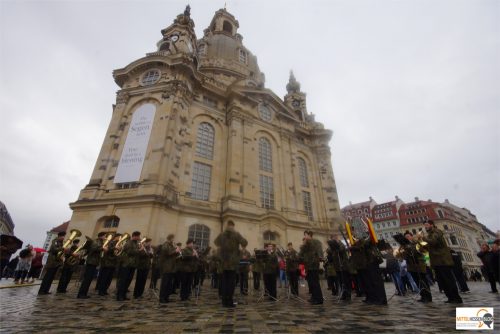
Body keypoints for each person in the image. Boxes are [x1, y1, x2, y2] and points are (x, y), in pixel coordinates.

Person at [422, 220, 462, 304]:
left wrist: (423, 238)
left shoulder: (437, 231)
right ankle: (450, 297)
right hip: (436, 261)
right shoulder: (429, 235)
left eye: (427, 225)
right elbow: (429, 246)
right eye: (424, 225)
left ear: (432, 225)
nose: (425, 227)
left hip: (443, 260)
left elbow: (434, 241)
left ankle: (456, 298)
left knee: (449, 280)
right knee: (442, 281)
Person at [214, 220, 248, 307]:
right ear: (233, 226)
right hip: (232, 263)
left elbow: (216, 242)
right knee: (231, 283)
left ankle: (224, 302)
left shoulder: (222, 234)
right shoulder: (236, 234)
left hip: (223, 262)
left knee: (224, 283)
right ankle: (229, 302)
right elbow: (244, 242)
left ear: (227, 225)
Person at [402, 231, 432, 303]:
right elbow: (404, 257)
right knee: (417, 282)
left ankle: (428, 297)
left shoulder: (416, 243)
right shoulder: (405, 246)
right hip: (411, 267)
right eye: (406, 237)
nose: (407, 238)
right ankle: (423, 296)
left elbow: (420, 251)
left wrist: (409, 248)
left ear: (411, 236)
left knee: (423, 281)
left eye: (408, 236)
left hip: (419, 265)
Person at [77, 233, 105, 299]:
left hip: (94, 262)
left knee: (89, 279)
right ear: (101, 236)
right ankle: (81, 294)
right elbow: (94, 248)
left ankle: (84, 293)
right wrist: (102, 248)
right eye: (104, 236)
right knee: (87, 279)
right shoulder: (96, 241)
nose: (105, 237)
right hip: (91, 262)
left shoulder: (99, 242)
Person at [300, 230, 323, 305]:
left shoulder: (316, 242)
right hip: (308, 265)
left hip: (313, 265)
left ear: (309, 235)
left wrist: (319, 259)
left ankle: (319, 299)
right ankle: (314, 297)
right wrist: (303, 245)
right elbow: (302, 254)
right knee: (311, 283)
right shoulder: (306, 244)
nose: (304, 236)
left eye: (305, 235)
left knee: (315, 282)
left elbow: (320, 253)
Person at [116, 231, 142, 301]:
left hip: (132, 265)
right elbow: (130, 252)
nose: (139, 238)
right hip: (126, 264)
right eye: (139, 236)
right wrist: (139, 250)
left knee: (128, 281)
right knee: (123, 281)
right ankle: (119, 296)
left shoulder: (135, 243)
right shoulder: (129, 243)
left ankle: (124, 295)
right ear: (135, 236)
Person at [158, 234, 179, 304]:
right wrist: (175, 251)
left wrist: (177, 252)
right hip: (166, 267)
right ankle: (162, 298)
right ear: (170, 238)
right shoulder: (165, 245)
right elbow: (167, 253)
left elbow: (173, 255)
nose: (173, 240)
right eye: (173, 238)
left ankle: (166, 297)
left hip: (171, 267)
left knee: (169, 284)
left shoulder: (171, 245)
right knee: (165, 284)